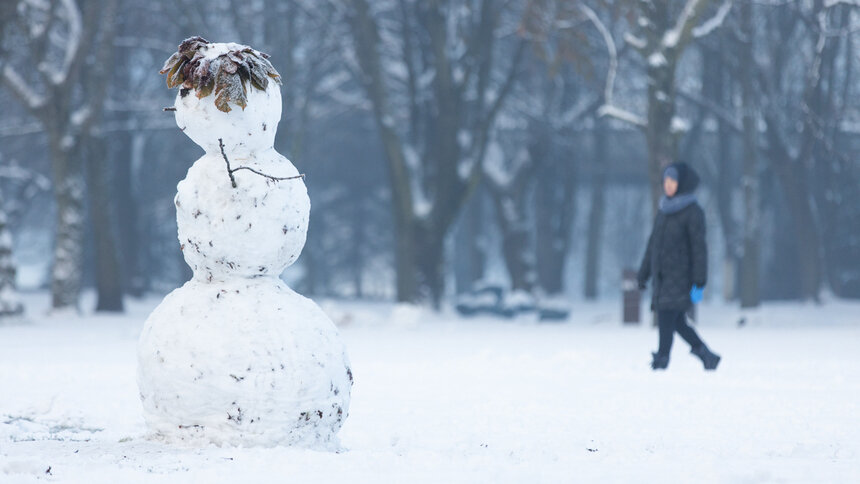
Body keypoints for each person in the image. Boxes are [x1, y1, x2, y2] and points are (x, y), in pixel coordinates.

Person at [637, 162, 721, 371]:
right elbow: (653, 244)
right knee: (677, 322)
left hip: (681, 277)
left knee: (667, 316)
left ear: (682, 183)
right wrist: (644, 272)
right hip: (662, 276)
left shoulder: (693, 212)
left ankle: (662, 358)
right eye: (666, 181)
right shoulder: (664, 209)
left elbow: (699, 249)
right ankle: (706, 354)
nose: (668, 185)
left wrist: (699, 281)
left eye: (672, 181)